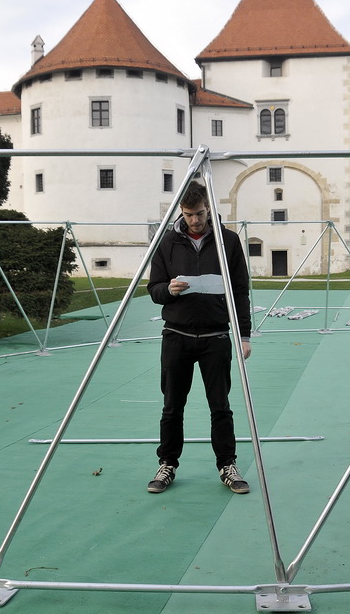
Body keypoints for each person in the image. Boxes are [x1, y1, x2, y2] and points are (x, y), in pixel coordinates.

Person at [146, 181, 252, 494]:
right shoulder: (166, 243)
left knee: (220, 406)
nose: (196, 220)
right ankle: (167, 464)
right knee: (172, 406)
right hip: (176, 337)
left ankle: (227, 466)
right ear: (181, 211)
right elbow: (153, 289)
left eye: (201, 213)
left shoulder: (228, 242)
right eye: (190, 214)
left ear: (209, 208)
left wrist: (244, 334)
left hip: (216, 337)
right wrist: (168, 290)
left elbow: (240, 290)